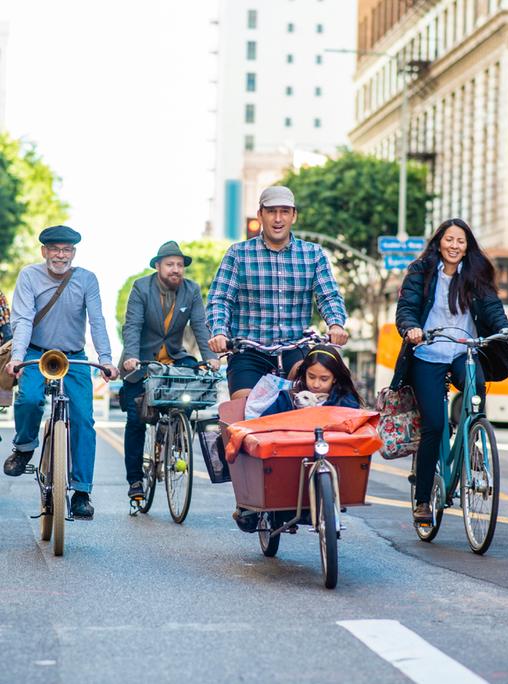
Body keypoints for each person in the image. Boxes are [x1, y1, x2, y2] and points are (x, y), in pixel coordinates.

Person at [391, 218, 508, 524]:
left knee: (475, 393)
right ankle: (422, 501)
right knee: (433, 424)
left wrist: (505, 328)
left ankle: (472, 441)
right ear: (439, 242)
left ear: (467, 245)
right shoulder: (421, 271)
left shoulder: (476, 274)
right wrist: (411, 328)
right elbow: (406, 307)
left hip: (464, 351)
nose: (455, 246)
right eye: (450, 240)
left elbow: (491, 308)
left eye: (461, 241)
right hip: (428, 353)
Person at [3, 225, 118, 519]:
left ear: (74, 253)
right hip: (35, 352)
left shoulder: (86, 279)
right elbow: (24, 320)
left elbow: (97, 321)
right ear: (44, 251)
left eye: (66, 250)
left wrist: (105, 359)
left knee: (83, 419)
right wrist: (17, 358)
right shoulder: (29, 275)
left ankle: (81, 492)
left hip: (74, 357)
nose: (60, 255)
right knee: (29, 399)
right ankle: (24, 446)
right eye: (54, 249)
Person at [206, 185, 348, 399]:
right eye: (271, 211)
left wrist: (335, 324)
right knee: (244, 409)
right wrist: (219, 332)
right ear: (260, 215)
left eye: (284, 211)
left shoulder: (313, 254)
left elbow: (328, 295)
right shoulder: (238, 254)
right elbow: (220, 299)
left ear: (294, 216)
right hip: (249, 351)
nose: (278, 218)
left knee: (309, 395)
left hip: (295, 348)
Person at [120, 240, 220, 500]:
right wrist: (130, 356)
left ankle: (174, 432)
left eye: (179, 265)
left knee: (195, 385)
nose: (176, 269)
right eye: (170, 264)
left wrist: (210, 357)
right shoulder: (141, 287)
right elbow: (132, 325)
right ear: (157, 266)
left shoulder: (192, 290)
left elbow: (200, 325)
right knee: (135, 419)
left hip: (175, 359)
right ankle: (135, 482)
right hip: (141, 363)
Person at [260, 344, 361, 416]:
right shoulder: (288, 399)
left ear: (334, 378)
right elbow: (264, 423)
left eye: (324, 379)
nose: (316, 385)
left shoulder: (345, 401)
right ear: (305, 373)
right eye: (311, 377)